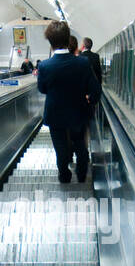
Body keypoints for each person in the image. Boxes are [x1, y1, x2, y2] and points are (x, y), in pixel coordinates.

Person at [37, 20, 101, 183]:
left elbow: (42, 89)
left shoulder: (45, 66)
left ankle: (64, 174)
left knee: (60, 147)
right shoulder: (82, 63)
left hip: (55, 114)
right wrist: (90, 101)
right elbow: (95, 90)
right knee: (80, 143)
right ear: (68, 39)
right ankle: (81, 174)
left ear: (50, 42)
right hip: (78, 112)